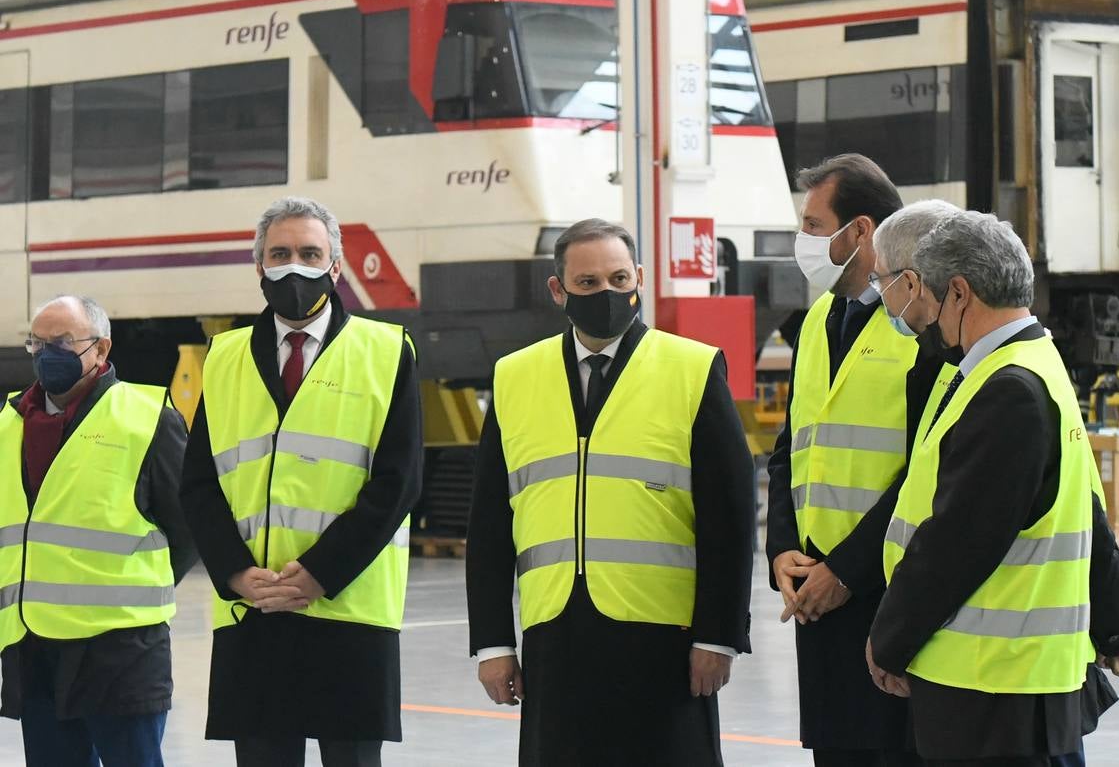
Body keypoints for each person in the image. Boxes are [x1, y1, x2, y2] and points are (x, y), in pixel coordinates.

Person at [466, 218, 755, 767]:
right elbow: (488, 524)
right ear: (559, 290)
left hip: (664, 640)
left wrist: (718, 637)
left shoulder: (691, 368)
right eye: (589, 283)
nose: (608, 294)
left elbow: (732, 517)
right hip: (556, 635)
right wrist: (494, 643)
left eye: (619, 278)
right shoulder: (514, 376)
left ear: (639, 278)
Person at [872, 204, 1119, 766]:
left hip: (993, 691)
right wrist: (1113, 621)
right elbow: (1088, 508)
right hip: (1014, 690)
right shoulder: (1036, 365)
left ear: (959, 293)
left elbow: (956, 543)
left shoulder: (1007, 391)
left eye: (927, 293)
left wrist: (889, 641)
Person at [179, 196, 422, 767]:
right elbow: (198, 484)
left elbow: (399, 483)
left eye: (311, 253)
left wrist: (319, 574)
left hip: (347, 608)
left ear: (335, 267)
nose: (295, 266)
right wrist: (236, 572)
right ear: (259, 266)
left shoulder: (387, 353)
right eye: (280, 253)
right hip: (253, 609)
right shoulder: (224, 357)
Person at [763, 153, 917, 766]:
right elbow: (790, 449)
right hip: (815, 596)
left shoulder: (918, 324)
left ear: (859, 231)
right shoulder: (820, 318)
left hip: (888, 591)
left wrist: (847, 570)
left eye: (812, 223)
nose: (804, 240)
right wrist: (781, 548)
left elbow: (929, 469)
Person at [0, 294, 195, 767]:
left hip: (121, 650)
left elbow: (188, 527)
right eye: (37, 343)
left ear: (102, 350)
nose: (48, 355)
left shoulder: (146, 417)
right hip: (34, 648)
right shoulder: (7, 424)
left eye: (62, 342)